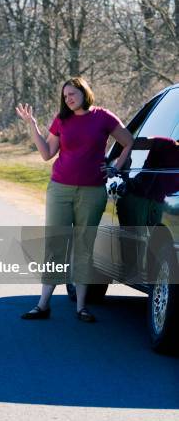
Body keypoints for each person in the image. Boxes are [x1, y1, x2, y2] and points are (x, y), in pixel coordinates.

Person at [16, 77, 133, 322]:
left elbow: (128, 141)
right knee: (55, 245)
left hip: (92, 192)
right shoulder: (62, 120)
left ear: (84, 92)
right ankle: (43, 305)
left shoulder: (104, 117)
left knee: (84, 246)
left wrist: (115, 167)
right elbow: (47, 154)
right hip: (60, 189)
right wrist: (33, 126)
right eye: (65, 95)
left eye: (72, 93)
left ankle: (81, 307)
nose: (68, 98)